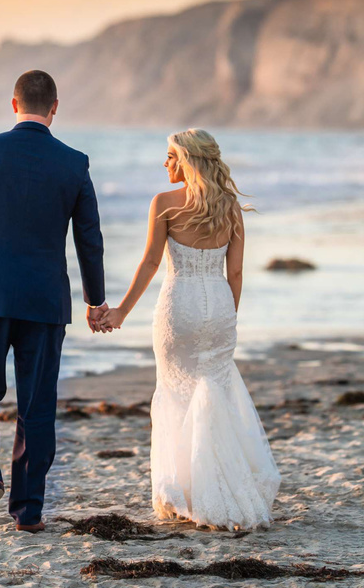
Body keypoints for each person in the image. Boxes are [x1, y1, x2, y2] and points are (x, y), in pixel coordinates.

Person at [0, 70, 111, 532]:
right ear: (54, 108)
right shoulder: (74, 162)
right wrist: (95, 300)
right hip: (45, 300)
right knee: (36, 404)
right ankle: (28, 513)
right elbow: (89, 238)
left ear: (13, 105)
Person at [102, 128, 281, 530]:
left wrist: (121, 313)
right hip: (218, 308)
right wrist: (226, 320)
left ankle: (186, 490)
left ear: (187, 160)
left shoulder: (164, 203)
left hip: (177, 308)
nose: (164, 163)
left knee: (177, 393)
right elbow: (234, 272)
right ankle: (219, 487)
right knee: (213, 391)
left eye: (170, 156)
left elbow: (150, 263)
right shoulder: (230, 207)